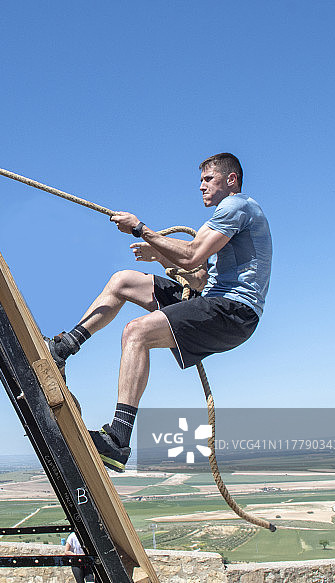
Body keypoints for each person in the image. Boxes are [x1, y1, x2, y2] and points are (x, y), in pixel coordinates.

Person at [48, 153, 272, 472]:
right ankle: (65, 347)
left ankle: (118, 439)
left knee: (136, 332)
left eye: (208, 179)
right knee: (123, 281)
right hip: (214, 299)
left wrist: (141, 229)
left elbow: (193, 254)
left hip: (235, 311)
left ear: (231, 180)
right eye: (201, 180)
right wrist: (159, 257)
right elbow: (198, 277)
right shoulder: (229, 218)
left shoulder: (236, 207)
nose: (201, 186)